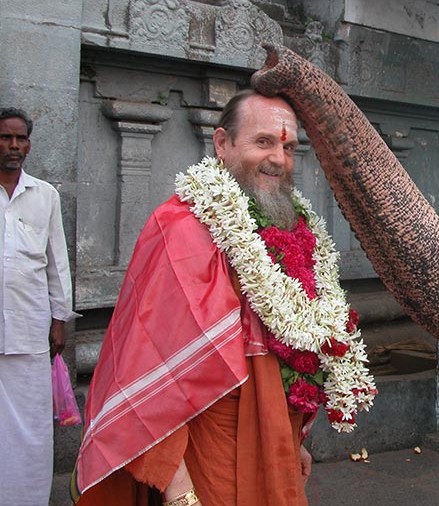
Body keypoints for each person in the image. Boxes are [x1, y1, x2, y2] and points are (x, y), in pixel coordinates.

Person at [73, 90, 375, 506]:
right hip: (208, 458)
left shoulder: (295, 232)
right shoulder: (180, 227)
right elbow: (147, 368)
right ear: (222, 143)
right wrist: (179, 490)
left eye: (289, 147)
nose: (279, 159)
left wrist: (293, 441)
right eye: (263, 142)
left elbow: (291, 351)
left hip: (274, 447)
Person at [0, 107, 76, 506]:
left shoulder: (44, 195)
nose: (13, 146)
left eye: (20, 139)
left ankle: (26, 498)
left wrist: (59, 319)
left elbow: (57, 262)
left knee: (30, 424)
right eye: (5, 138)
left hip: (30, 329)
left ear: (28, 144)